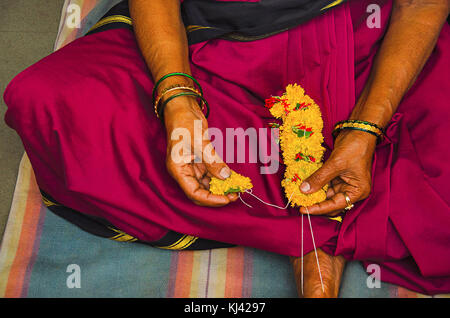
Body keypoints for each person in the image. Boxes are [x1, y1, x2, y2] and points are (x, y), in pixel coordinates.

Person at [3, 0, 450, 297]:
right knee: (46, 104)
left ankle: (310, 224)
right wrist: (177, 97)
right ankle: (316, 221)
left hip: (361, 38)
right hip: (207, 39)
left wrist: (365, 129)